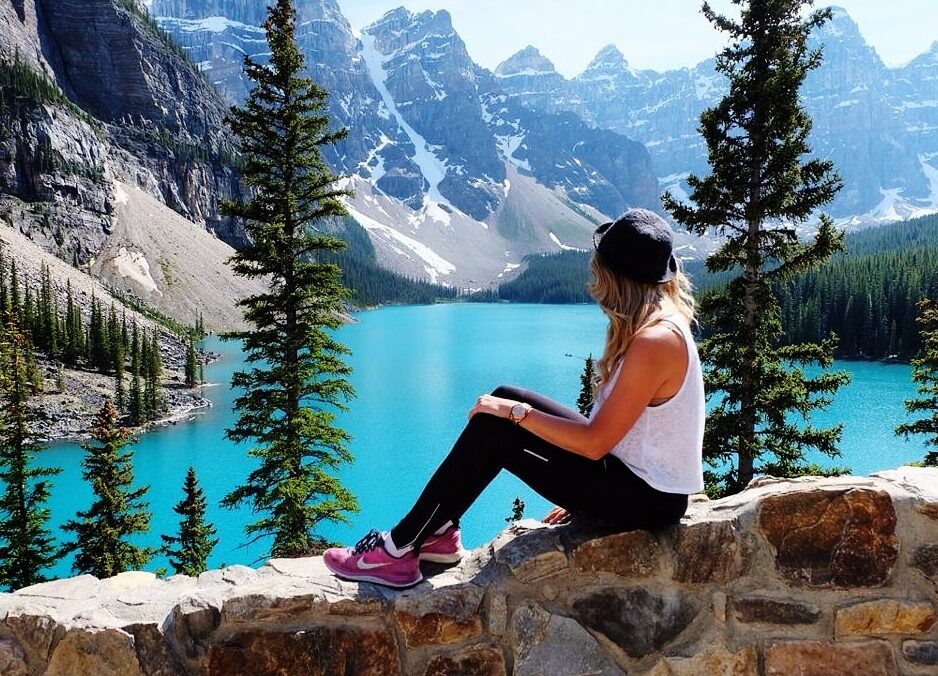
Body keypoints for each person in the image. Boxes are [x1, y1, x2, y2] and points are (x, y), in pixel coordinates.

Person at [323, 208, 705, 588]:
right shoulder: (658, 322)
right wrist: (579, 489)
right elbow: (618, 436)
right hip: (633, 484)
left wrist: (516, 414)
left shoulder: (655, 340)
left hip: (644, 501)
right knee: (503, 395)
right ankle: (437, 532)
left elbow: (594, 443)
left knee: (498, 424)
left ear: (615, 277)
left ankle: (398, 550)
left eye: (598, 267)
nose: (593, 276)